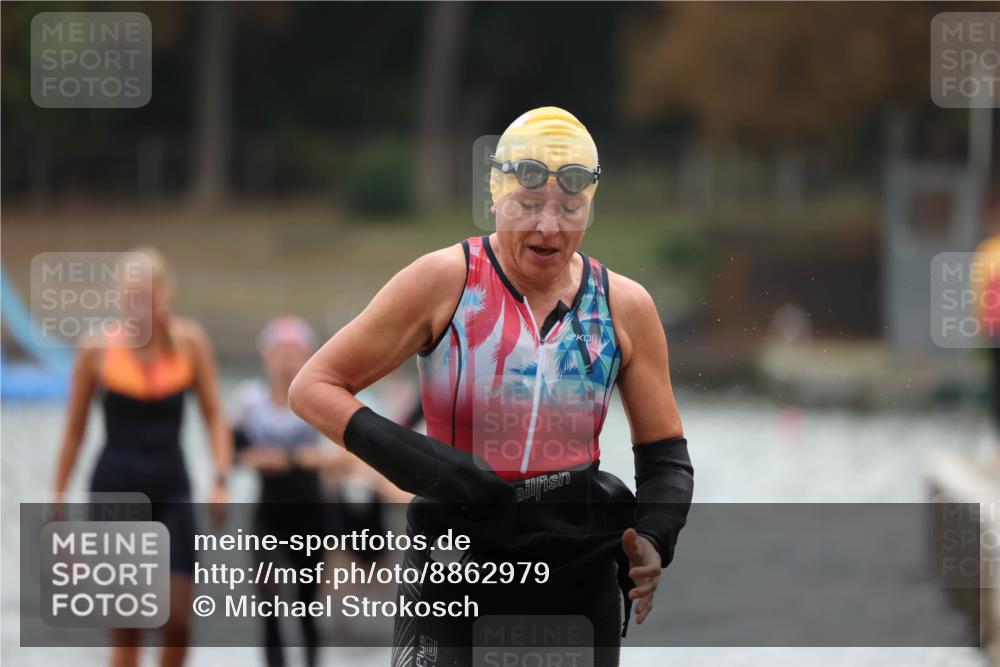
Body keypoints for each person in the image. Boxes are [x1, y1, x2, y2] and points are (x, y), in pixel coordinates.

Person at [289, 107, 694, 666]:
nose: (548, 227)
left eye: (569, 208)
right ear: (497, 197)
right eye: (528, 207)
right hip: (456, 562)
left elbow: (665, 456)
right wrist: (435, 469)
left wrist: (654, 536)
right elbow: (313, 387)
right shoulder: (445, 281)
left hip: (577, 572)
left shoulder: (624, 305)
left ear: (589, 206)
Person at [52, 247, 232, 667]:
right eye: (129, 295)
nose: (138, 304)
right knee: (129, 621)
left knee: (178, 616)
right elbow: (74, 434)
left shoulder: (191, 343)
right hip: (116, 487)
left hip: (171, 485)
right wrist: (57, 507)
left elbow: (214, 416)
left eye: (146, 294)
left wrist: (220, 478)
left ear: (164, 294)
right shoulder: (96, 350)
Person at [233, 315, 338, 667]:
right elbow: (230, 451)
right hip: (269, 515)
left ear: (308, 355)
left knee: (306, 608)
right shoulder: (250, 402)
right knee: (269, 604)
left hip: (311, 514)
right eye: (279, 351)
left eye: (294, 352)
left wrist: (297, 458)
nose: (286, 360)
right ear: (267, 355)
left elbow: (346, 458)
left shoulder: (323, 399)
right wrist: (254, 458)